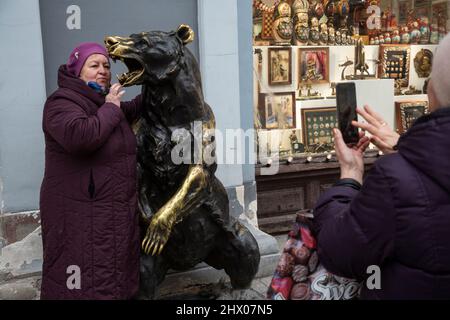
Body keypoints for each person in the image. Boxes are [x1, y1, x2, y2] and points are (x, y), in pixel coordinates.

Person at [313, 33, 450, 299]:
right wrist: (405, 148)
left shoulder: (395, 181)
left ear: (430, 92)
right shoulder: (400, 174)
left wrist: (349, 178)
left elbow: (341, 252)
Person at [40, 42, 143, 299]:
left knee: (113, 279)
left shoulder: (104, 104)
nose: (103, 71)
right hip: (79, 217)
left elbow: (138, 107)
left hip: (113, 214)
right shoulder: (61, 102)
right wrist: (111, 106)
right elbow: (81, 137)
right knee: (82, 283)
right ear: (77, 71)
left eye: (106, 66)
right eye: (94, 65)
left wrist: (154, 76)